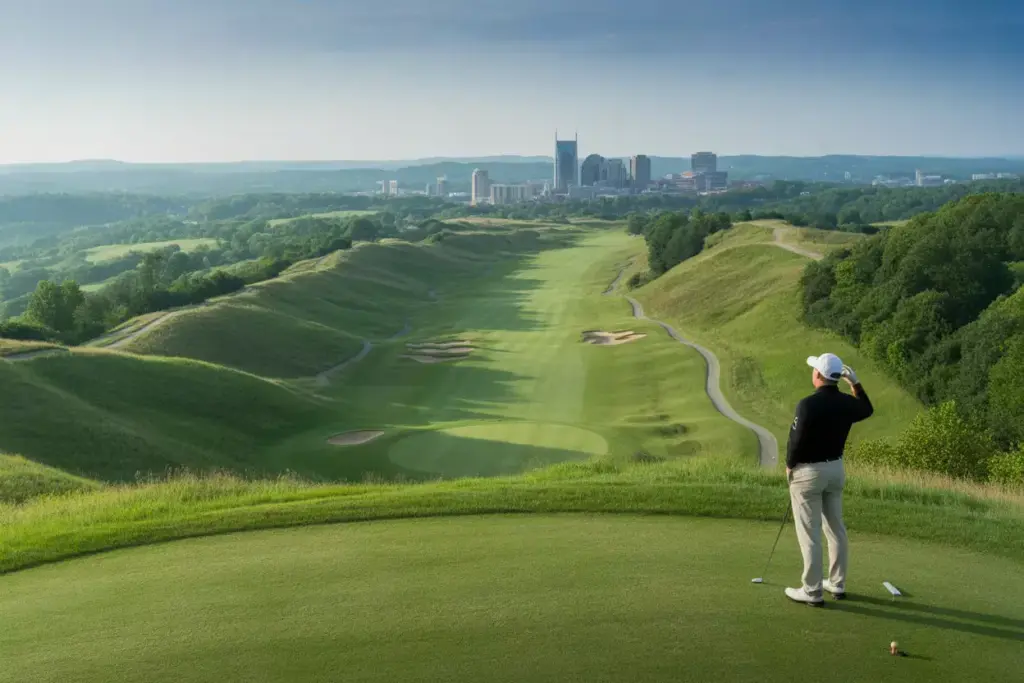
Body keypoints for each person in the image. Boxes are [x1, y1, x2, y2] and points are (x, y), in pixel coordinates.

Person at [784, 353, 873, 606]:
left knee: (810, 534)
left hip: (808, 474)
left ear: (818, 376)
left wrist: (789, 465)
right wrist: (855, 384)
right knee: (835, 528)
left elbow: (796, 440)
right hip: (835, 470)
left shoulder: (807, 405)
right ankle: (837, 583)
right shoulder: (847, 403)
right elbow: (867, 409)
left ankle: (812, 591)